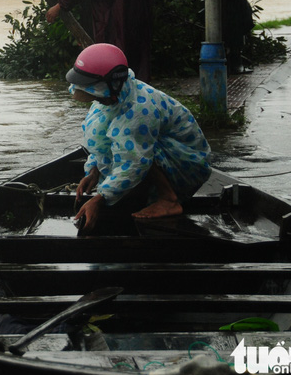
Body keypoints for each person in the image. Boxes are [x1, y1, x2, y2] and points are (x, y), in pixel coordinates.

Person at [67, 43, 211, 234]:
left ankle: (169, 199)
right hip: (152, 156)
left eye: (97, 95)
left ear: (113, 83)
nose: (96, 100)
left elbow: (135, 161)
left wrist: (100, 199)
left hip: (185, 163)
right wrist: (93, 171)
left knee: (136, 148)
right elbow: (101, 142)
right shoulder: (111, 99)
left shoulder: (139, 109)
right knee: (124, 143)